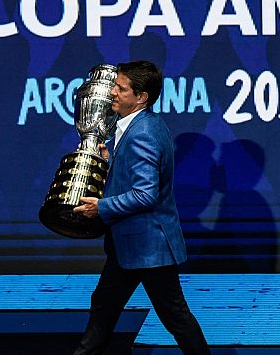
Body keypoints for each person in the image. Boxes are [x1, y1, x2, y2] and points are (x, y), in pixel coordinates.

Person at [72, 61, 210, 355]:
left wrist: (102, 207)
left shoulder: (143, 132)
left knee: (175, 318)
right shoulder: (143, 124)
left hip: (149, 248)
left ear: (141, 97)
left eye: (120, 89)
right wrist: (113, 161)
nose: (112, 92)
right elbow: (138, 176)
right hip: (132, 245)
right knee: (103, 309)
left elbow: (146, 194)